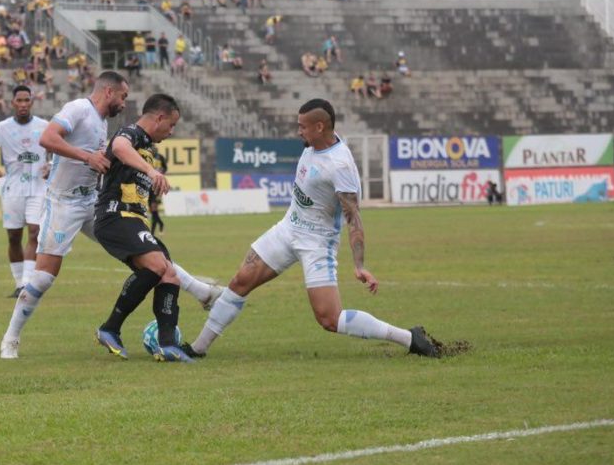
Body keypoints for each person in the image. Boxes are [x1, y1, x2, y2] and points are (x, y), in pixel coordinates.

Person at [181, 99, 446, 360]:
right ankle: (198, 348)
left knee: (329, 319)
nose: (298, 131)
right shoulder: (315, 143)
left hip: (317, 243)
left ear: (320, 127)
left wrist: (359, 264)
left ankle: (409, 338)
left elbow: (353, 217)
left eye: (303, 126)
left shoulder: (340, 165)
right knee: (240, 281)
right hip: (287, 229)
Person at [0, 71, 222, 360]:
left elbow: (84, 153)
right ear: (107, 92)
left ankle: (203, 292)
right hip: (63, 204)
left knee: (149, 252)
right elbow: (48, 138)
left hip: (93, 202)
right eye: (123, 96)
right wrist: (87, 156)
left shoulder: (102, 122)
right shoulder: (79, 108)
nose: (125, 103)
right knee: (42, 280)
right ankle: (11, 338)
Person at [93, 94, 189, 362]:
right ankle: (109, 328)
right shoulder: (130, 132)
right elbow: (120, 146)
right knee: (157, 266)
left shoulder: (147, 145)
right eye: (171, 125)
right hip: (114, 216)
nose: (171, 132)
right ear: (158, 117)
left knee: (169, 275)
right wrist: (152, 171)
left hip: (134, 220)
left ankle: (168, 345)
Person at [0, 85, 50, 298]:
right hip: (13, 188)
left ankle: (26, 284)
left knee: (34, 232)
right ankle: (17, 280)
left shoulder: (44, 126)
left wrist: (51, 165)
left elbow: (59, 150)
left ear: (32, 102)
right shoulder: (2, 128)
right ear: (12, 103)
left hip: (38, 186)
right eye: (19, 100)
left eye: (26, 100)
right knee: (14, 237)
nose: (23, 104)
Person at [148, 144, 168, 235]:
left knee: (154, 209)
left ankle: (152, 232)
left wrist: (160, 172)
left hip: (157, 185)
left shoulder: (160, 157)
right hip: (148, 186)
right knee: (153, 211)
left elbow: (165, 168)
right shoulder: (147, 156)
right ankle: (160, 224)